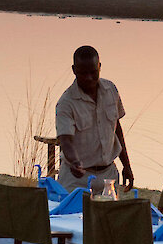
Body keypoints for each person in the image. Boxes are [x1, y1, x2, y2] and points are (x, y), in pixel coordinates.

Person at [55, 45, 133, 196]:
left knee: (106, 219)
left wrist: (127, 166)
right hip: (77, 179)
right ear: (74, 70)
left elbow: (116, 129)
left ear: (100, 67)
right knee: (74, 219)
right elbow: (66, 140)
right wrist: (75, 162)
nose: (89, 78)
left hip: (108, 176)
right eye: (83, 73)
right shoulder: (66, 103)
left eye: (93, 72)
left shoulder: (111, 89)